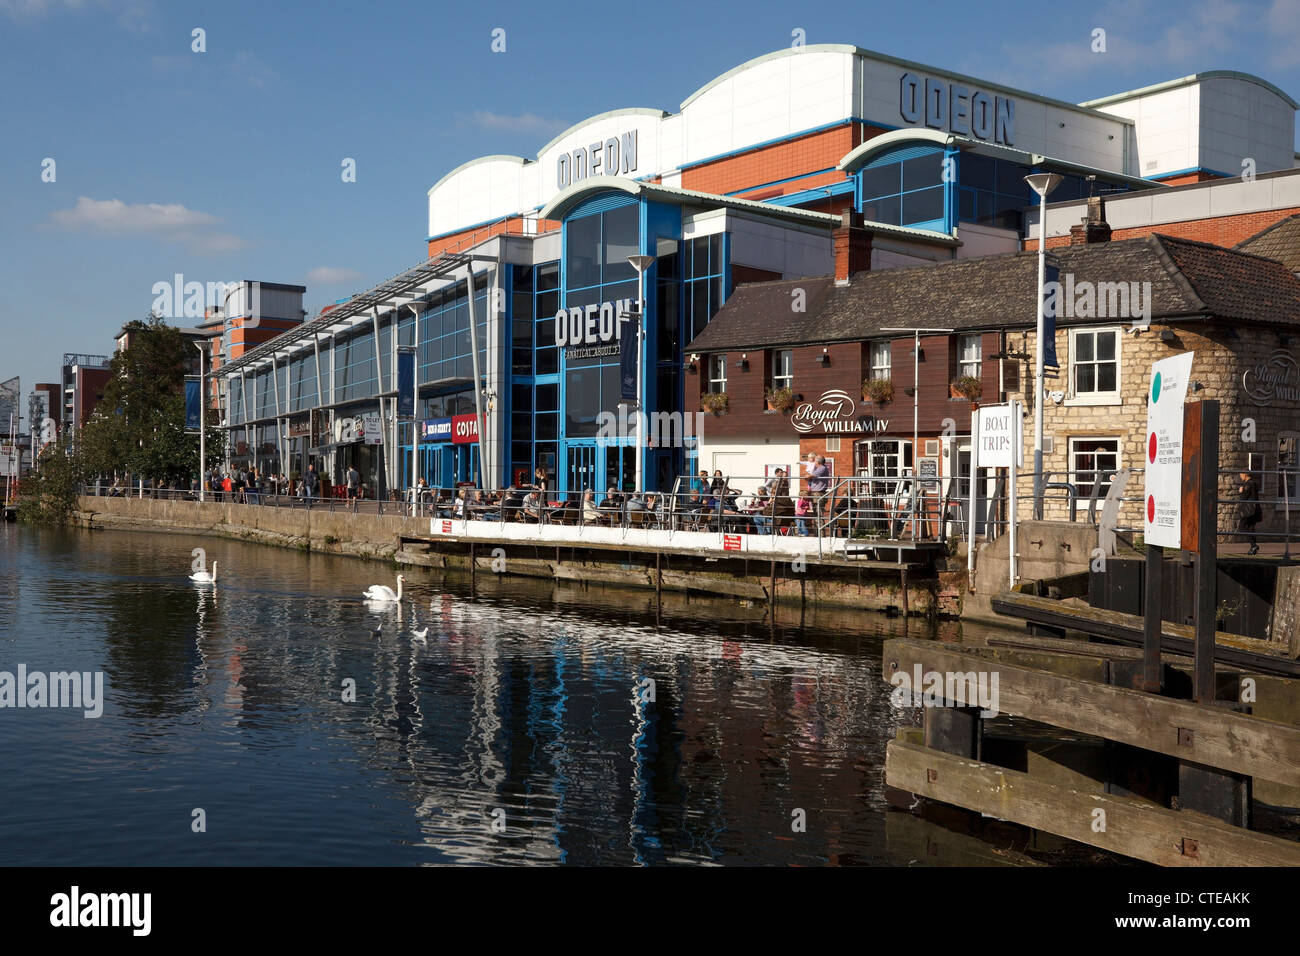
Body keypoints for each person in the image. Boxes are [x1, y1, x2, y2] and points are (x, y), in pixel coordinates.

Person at [1236, 469, 1262, 555]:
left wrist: (1241, 491)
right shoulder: (1254, 483)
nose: (1240, 476)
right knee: (1251, 528)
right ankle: (1253, 548)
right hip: (1255, 509)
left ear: (1245, 475)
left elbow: (1244, 498)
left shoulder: (1248, 484)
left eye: (1241, 475)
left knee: (1242, 527)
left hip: (1249, 510)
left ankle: (1253, 545)